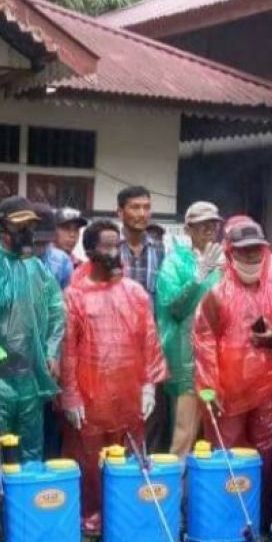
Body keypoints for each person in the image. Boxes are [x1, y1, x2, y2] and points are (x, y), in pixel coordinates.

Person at [192, 217, 272, 530]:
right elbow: (203, 341)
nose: (252, 257)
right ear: (229, 252)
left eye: (256, 250)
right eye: (244, 251)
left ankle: (263, 519)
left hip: (271, 389)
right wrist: (209, 389)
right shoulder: (215, 293)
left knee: (267, 455)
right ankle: (227, 518)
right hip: (228, 390)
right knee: (226, 455)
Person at [62, 219, 166, 531]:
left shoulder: (135, 293)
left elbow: (149, 339)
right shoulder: (74, 296)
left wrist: (149, 385)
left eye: (116, 245)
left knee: (131, 458)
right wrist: (70, 394)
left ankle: (127, 513)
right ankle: (90, 517)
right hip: (91, 396)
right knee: (89, 460)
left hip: (129, 392)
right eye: (106, 245)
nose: (113, 252)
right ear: (90, 250)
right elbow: (67, 351)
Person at [0, 196, 66, 471]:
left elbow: (57, 307)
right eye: (20, 227)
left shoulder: (34, 267)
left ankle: (26, 511)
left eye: (30, 227)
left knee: (31, 455)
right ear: (2, 231)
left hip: (30, 380)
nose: (27, 234)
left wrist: (51, 351)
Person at [154, 201, 225, 457]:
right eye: (201, 225)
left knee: (216, 434)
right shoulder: (174, 263)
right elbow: (173, 307)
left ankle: (208, 493)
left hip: (220, 363)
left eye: (213, 224)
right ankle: (176, 493)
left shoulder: (225, 262)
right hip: (186, 361)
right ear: (188, 229)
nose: (209, 229)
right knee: (184, 433)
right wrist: (199, 277)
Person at [116, 185, 169, 451]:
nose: (142, 213)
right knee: (119, 414)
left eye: (146, 207)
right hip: (116, 347)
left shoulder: (161, 252)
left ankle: (149, 483)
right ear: (120, 212)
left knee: (153, 417)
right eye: (135, 207)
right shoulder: (111, 249)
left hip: (151, 346)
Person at [34, 203, 74, 290]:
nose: (40, 247)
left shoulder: (63, 261)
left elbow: (68, 296)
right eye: (36, 242)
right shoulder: (12, 260)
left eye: (44, 242)